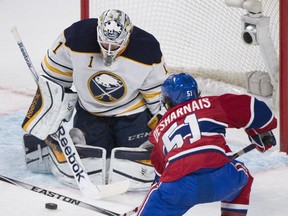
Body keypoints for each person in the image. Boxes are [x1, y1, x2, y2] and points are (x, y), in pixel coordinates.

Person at [21, 9, 167, 189]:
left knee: (133, 166)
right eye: (105, 44)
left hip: (132, 114)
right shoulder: (74, 38)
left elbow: (159, 96)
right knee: (93, 163)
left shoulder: (147, 49)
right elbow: (53, 80)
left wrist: (162, 128)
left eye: (115, 46)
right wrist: (49, 114)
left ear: (128, 36)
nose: (109, 50)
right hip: (91, 114)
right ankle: (79, 134)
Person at [137, 73, 277, 216]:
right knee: (242, 181)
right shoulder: (212, 104)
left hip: (179, 188)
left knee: (159, 192)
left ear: (167, 101)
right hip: (223, 180)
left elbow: (160, 174)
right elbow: (254, 108)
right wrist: (260, 132)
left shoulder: (158, 130)